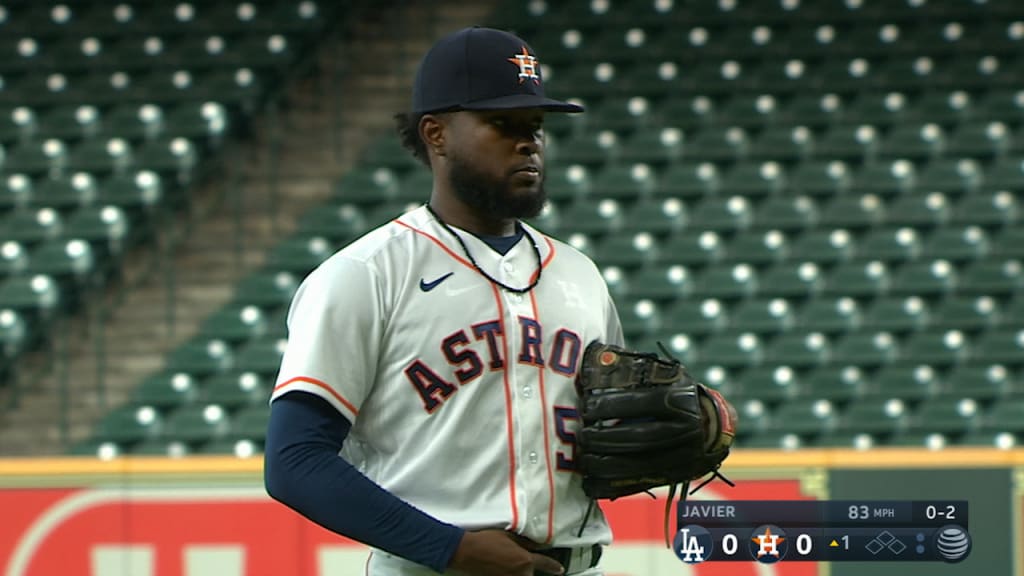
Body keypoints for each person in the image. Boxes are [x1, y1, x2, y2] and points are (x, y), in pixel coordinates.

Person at [264, 26, 623, 576]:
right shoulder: (365, 275)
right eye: (502, 124)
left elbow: (612, 436)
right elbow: (294, 462)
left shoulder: (580, 275)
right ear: (436, 134)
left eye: (535, 126)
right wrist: (448, 548)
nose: (528, 142)